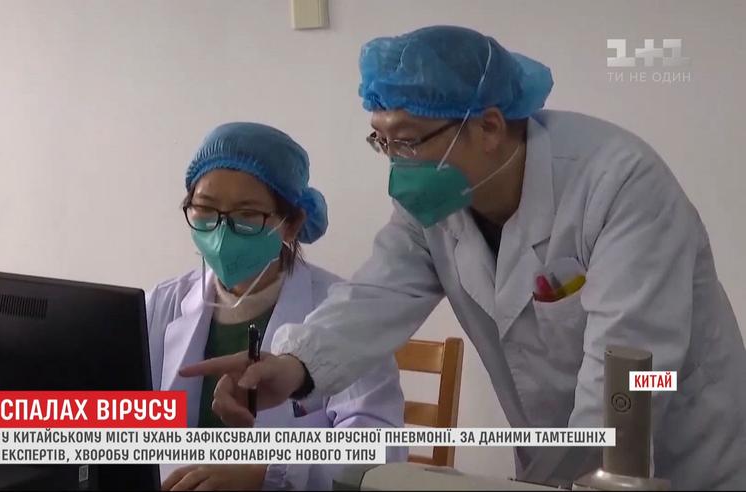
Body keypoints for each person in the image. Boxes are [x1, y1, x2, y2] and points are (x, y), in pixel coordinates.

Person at [180, 27, 746, 490]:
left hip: (685, 458)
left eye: (408, 141)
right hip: (555, 463)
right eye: (382, 141)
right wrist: (294, 367)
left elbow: (630, 369)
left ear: (489, 126)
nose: (397, 165)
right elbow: (377, 296)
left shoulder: (618, 184)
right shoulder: (438, 203)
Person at [146, 122, 405, 491]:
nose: (221, 232)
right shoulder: (163, 303)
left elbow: (379, 448)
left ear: (291, 224)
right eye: (205, 209)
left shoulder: (342, 312)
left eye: (247, 215)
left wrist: (268, 471)